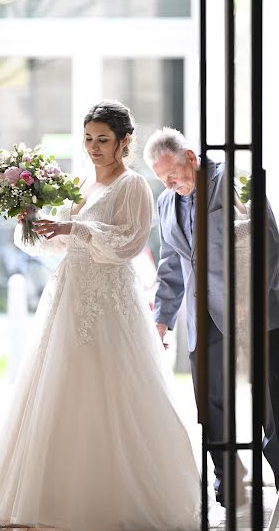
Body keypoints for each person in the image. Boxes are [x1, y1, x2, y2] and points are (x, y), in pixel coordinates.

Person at [0, 101, 206, 531]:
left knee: (111, 391)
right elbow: (58, 244)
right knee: (58, 389)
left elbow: (129, 244)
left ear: (123, 142)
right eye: (88, 139)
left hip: (109, 303)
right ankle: (52, 495)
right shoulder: (82, 182)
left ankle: (116, 496)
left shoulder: (133, 185)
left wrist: (73, 229)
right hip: (67, 296)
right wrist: (33, 221)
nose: (94, 147)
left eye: (103, 140)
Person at [143, 126, 279, 508]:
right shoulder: (167, 202)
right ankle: (227, 478)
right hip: (202, 317)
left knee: (270, 401)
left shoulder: (232, 179)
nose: (169, 184)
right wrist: (162, 318)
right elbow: (172, 263)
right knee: (211, 401)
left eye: (172, 174)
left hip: (253, 311)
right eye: (161, 179)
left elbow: (268, 242)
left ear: (190, 158)